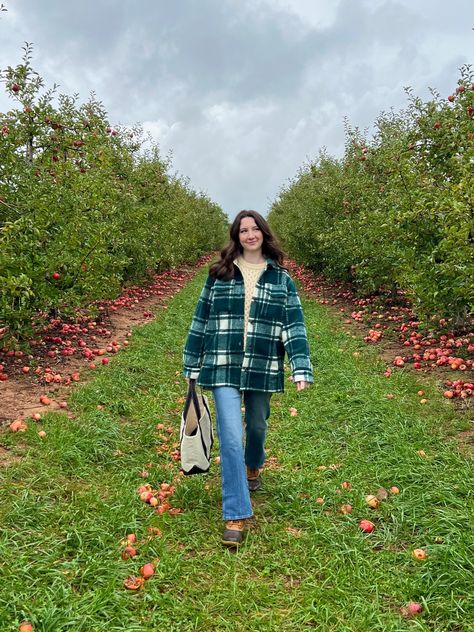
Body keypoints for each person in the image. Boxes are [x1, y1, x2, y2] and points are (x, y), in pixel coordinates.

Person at [183, 209, 313, 547]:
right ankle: (236, 514)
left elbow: (293, 325)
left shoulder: (281, 278)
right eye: (243, 230)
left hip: (261, 363)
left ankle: (254, 465)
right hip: (223, 362)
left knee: (256, 426)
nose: (250, 235)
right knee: (229, 436)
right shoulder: (219, 274)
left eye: (255, 229)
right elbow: (201, 318)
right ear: (236, 236)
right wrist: (191, 364)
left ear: (264, 234)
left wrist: (300, 366)